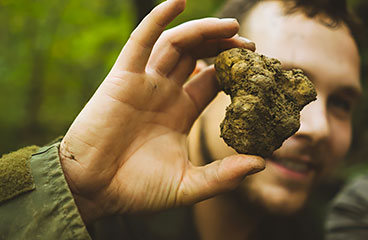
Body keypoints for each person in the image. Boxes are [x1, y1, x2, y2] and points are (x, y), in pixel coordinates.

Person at [0, 0, 362, 239]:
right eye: (279, 85)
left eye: (342, 103)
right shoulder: (93, 217)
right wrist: (72, 191)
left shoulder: (341, 224)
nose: (317, 128)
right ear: (200, 84)